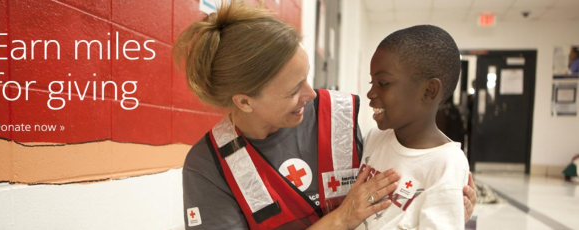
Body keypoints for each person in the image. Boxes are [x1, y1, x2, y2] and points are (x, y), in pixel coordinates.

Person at [173, 3, 477, 229]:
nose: (312, 94)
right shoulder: (209, 166)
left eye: (308, 78)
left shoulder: (342, 117)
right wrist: (340, 220)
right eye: (293, 90)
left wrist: (442, 202)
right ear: (245, 101)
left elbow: (400, 191)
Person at [357, 25, 470, 229]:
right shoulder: (375, 138)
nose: (370, 93)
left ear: (429, 91)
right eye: (371, 82)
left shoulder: (446, 164)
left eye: (382, 83)